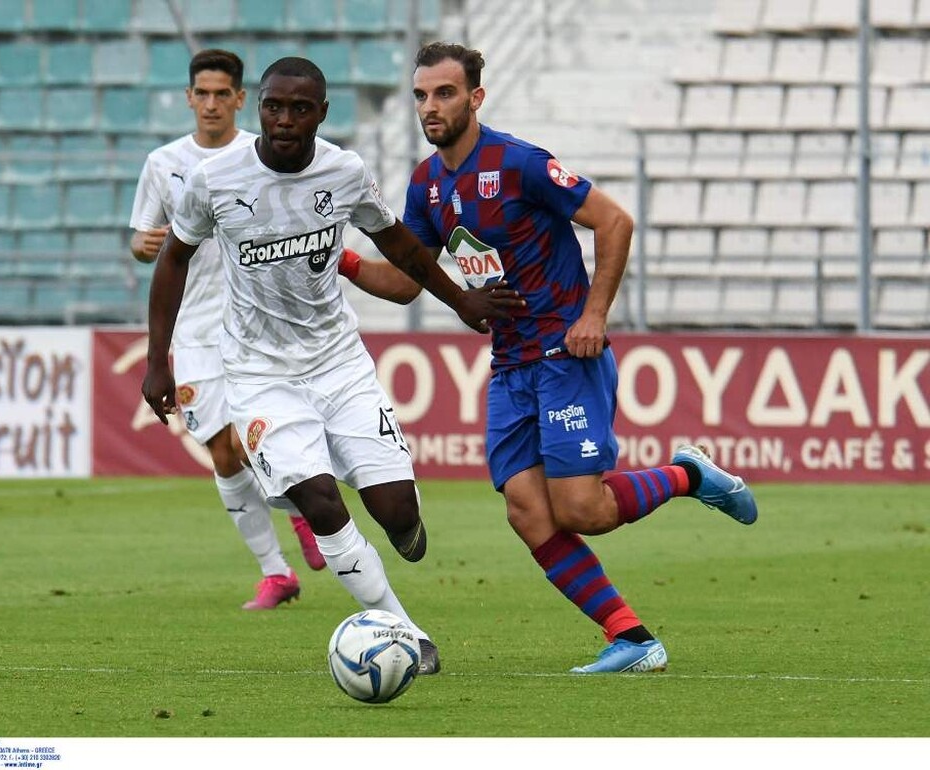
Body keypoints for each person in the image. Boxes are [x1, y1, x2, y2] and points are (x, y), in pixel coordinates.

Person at [140, 56, 522, 675]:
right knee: (318, 501)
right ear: (258, 107)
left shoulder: (344, 172)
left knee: (398, 515)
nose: (284, 120)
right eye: (272, 106)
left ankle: (381, 506)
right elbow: (172, 262)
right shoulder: (214, 179)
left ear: (322, 113)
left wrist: (462, 302)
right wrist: (160, 360)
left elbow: (396, 242)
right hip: (259, 371)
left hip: (339, 364)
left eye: (299, 108)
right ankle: (405, 631)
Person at [402, 42, 758, 674]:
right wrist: (334, 256)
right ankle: (632, 637)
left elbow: (614, 221)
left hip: (565, 354)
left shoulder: (518, 163)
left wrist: (594, 315)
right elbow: (407, 279)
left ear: (476, 97)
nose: (431, 107)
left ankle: (690, 478)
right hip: (510, 367)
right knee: (526, 512)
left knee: (581, 510)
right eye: (422, 95)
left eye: (446, 93)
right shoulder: (427, 184)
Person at [130, 49, 420, 611]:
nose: (211, 104)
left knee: (271, 457)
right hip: (204, 331)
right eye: (202, 93)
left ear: (240, 99)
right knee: (222, 452)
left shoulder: (294, 158)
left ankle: (310, 507)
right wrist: (155, 343)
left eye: (222, 94)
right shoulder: (167, 164)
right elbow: (155, 248)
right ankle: (280, 568)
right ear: (189, 98)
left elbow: (368, 240)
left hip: (296, 341)